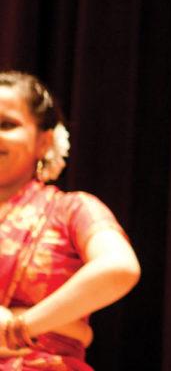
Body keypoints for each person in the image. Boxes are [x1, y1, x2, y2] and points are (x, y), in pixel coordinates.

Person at [0, 71, 140, 370]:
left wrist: (21, 324)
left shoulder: (70, 209)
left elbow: (119, 267)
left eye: (7, 125)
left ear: (43, 141)